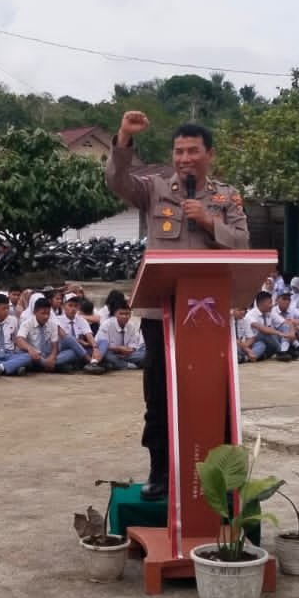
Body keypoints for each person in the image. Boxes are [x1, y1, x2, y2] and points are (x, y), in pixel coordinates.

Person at [106, 110, 249, 499]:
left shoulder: (226, 197)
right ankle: (161, 472)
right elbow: (116, 180)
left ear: (210, 155)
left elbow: (241, 243)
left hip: (208, 316)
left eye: (192, 151)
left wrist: (207, 221)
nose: (184, 158)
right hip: (161, 313)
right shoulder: (154, 188)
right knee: (158, 395)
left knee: (210, 393)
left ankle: (217, 475)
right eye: (178, 151)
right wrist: (123, 139)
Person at [17, 296, 77, 373]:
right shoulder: (27, 324)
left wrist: (52, 357)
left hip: (48, 356)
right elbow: (19, 340)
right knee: (25, 356)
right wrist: (30, 349)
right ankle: (52, 366)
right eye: (43, 313)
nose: (46, 316)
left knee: (71, 353)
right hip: (34, 356)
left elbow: (55, 346)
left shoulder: (53, 324)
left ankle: (44, 366)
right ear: (35, 312)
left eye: (48, 313)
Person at [57, 292, 106, 373]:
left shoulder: (80, 319)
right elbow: (67, 340)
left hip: (81, 350)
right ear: (63, 306)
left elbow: (89, 335)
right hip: (66, 350)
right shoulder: (57, 320)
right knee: (71, 345)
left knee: (103, 341)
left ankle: (94, 362)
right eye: (70, 305)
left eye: (76, 306)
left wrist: (95, 347)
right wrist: (80, 342)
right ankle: (91, 362)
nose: (73, 308)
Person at [97, 304, 147, 370]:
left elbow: (134, 345)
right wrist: (118, 349)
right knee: (106, 355)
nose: (124, 316)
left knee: (144, 354)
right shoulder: (107, 324)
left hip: (127, 355)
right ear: (115, 314)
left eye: (127, 314)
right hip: (111, 353)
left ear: (130, 315)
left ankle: (117, 364)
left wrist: (130, 349)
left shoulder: (131, 326)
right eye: (121, 314)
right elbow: (100, 345)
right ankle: (127, 365)